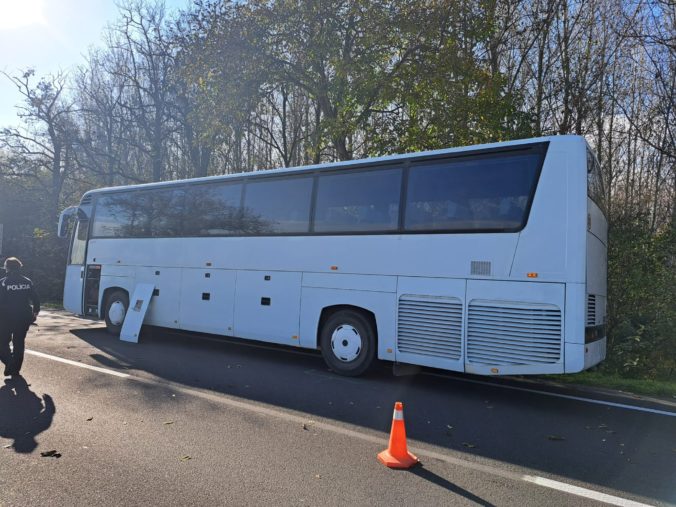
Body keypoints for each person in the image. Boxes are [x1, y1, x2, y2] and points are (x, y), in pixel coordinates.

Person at [0, 257, 40, 377]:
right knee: (19, 343)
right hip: (24, 317)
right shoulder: (27, 281)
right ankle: (15, 369)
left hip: (6, 317)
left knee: (2, 343)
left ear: (7, 267)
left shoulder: (3, 282)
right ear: (19, 267)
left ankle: (9, 363)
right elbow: (35, 298)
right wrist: (35, 312)